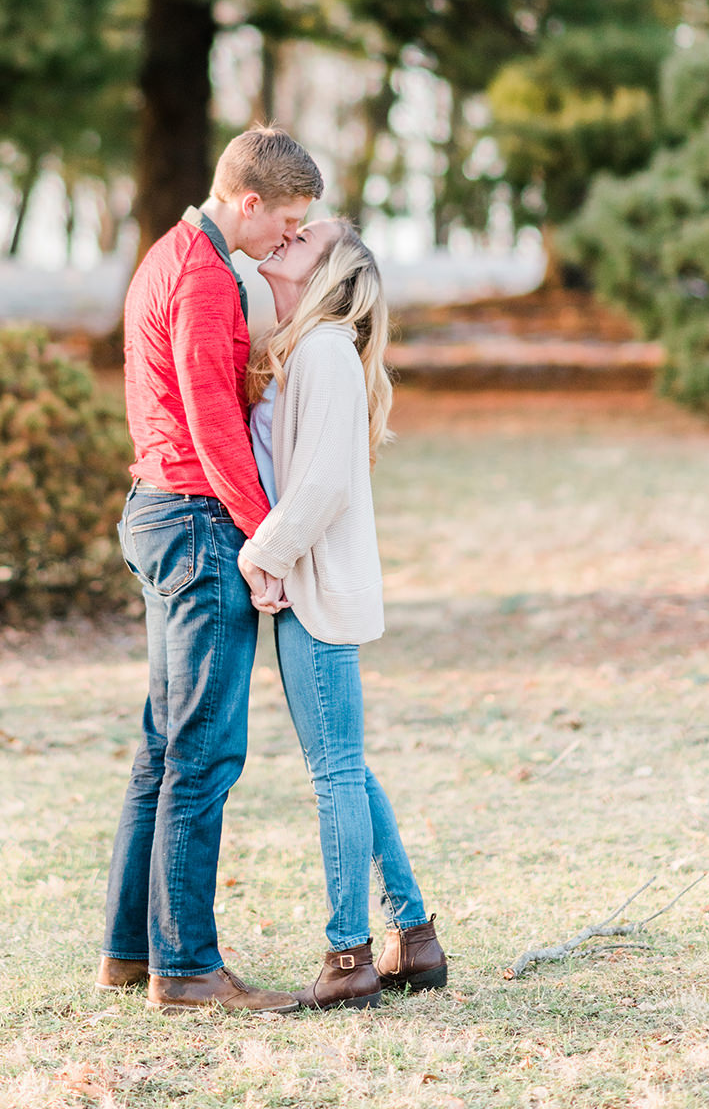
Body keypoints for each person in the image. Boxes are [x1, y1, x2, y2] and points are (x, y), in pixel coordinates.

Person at [99, 127, 323, 1014]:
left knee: (163, 747)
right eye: (287, 221)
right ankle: (186, 970)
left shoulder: (175, 253)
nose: (288, 239)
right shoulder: (197, 273)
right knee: (203, 751)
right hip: (194, 523)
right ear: (248, 201)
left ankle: (129, 949)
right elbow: (210, 423)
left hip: (166, 511)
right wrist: (261, 542)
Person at [238, 218, 447, 1011]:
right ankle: (414, 935)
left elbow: (320, 485)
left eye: (304, 236)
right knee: (346, 765)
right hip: (311, 584)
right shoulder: (309, 348)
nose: (287, 234)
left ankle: (347, 954)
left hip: (313, 587)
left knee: (334, 773)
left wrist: (267, 555)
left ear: (330, 269)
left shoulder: (323, 349)